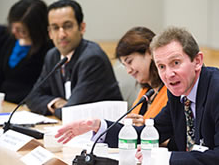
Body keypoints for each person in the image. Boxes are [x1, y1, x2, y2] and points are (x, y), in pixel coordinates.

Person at [55, 26, 219, 165]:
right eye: (161, 66)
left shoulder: (215, 90)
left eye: (175, 63)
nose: (168, 74)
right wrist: (100, 126)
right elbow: (149, 134)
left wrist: (166, 158)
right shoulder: (178, 94)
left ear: (197, 61)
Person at [25, 0, 123, 119]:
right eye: (55, 28)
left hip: (104, 132)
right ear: (50, 33)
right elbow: (32, 98)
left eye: (68, 26)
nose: (62, 34)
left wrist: (60, 108)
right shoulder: (52, 56)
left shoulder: (92, 58)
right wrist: (56, 102)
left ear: (81, 27)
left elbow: (72, 112)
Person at [0, 0, 52, 104]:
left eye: (21, 30)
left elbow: (41, 90)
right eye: (12, 26)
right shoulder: (4, 36)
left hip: (23, 106)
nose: (14, 32)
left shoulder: (49, 50)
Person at [115, 27, 167, 126]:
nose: (128, 71)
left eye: (129, 61)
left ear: (149, 52)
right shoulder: (146, 92)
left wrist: (146, 128)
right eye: (124, 65)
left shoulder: (172, 91)